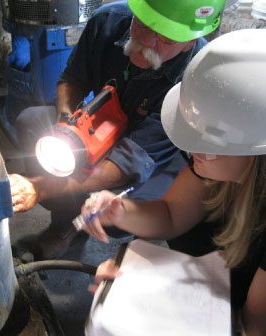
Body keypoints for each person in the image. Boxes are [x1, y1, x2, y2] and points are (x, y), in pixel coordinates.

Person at [82, 29, 266, 334]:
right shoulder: (221, 166)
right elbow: (172, 213)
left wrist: (146, 303)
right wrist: (121, 210)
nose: (191, 148)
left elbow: (252, 327)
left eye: (206, 140)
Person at [9, 0, 225, 259]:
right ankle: (64, 226)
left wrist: (40, 187)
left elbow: (124, 165)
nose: (147, 41)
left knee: (118, 207)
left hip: (153, 155)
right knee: (32, 124)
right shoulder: (107, 21)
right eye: (142, 25)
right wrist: (64, 127)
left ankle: (133, 254)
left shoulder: (194, 78)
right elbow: (72, 80)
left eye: (165, 39)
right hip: (101, 126)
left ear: (190, 42)